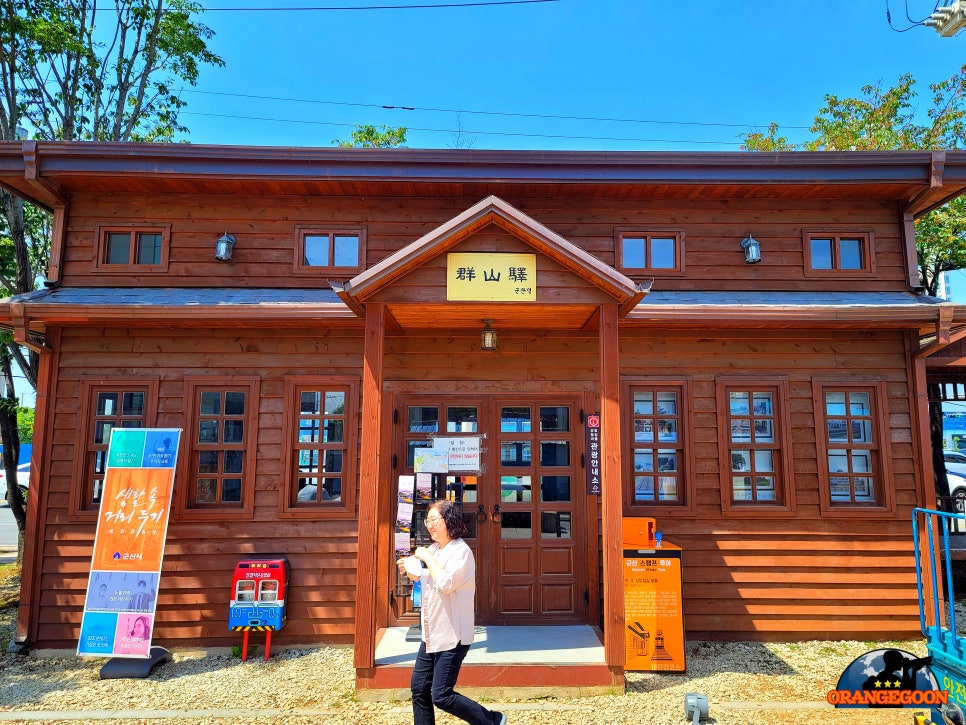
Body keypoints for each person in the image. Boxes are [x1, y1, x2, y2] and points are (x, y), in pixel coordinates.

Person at [397, 500, 506, 725]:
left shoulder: (461, 552)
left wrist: (426, 558)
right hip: (432, 633)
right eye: (427, 521)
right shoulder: (436, 549)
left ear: (449, 520)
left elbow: (446, 582)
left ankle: (492, 720)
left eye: (434, 520)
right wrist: (408, 567)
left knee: (441, 694)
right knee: (419, 688)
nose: (429, 525)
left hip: (453, 635)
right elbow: (423, 574)